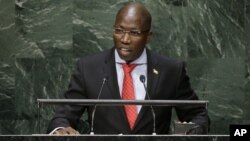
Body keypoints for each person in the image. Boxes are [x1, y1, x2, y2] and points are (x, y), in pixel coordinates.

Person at [47, 2, 209, 135]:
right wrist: (60, 130)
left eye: (134, 33)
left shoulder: (171, 70)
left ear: (148, 36)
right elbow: (63, 116)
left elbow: (197, 114)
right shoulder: (88, 68)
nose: (124, 39)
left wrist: (194, 130)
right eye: (119, 31)